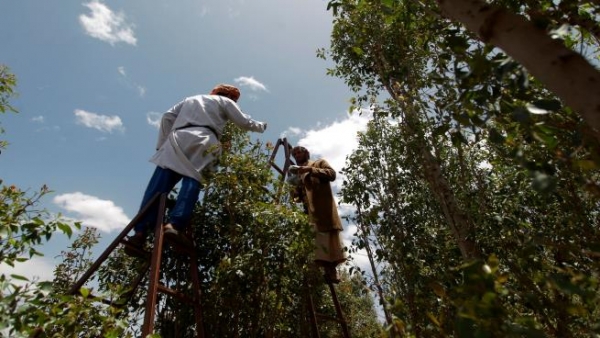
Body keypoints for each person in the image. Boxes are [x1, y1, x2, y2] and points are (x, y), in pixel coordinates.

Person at [126, 84, 267, 254]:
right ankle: (174, 225)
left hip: (177, 138)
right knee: (193, 179)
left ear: (214, 91)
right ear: (232, 98)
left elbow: (167, 117)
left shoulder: (191, 99)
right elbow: (244, 122)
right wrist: (261, 126)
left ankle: (140, 233)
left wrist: (162, 144)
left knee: (158, 186)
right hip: (205, 139)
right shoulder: (225, 102)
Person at [289, 146, 347, 283]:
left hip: (323, 209)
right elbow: (295, 199)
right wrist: (292, 185)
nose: (297, 155)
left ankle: (332, 271)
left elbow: (331, 174)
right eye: (295, 154)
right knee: (317, 245)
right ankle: (322, 273)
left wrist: (310, 170)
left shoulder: (318, 163)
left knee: (330, 241)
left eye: (299, 152)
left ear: (306, 153)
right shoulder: (297, 174)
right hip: (309, 213)